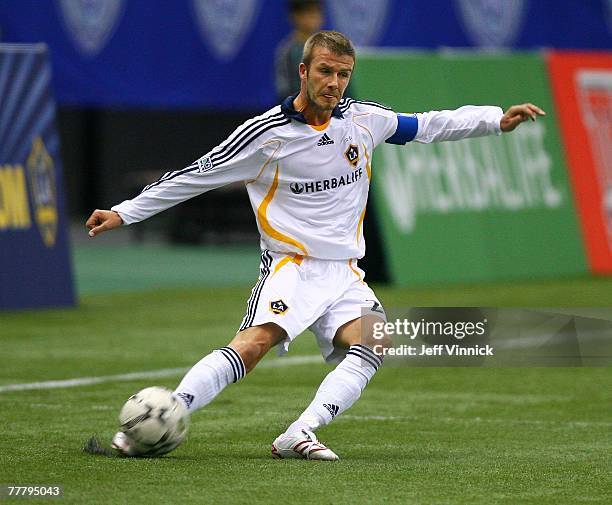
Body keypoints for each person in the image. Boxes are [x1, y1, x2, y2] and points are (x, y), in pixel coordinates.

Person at [86, 30, 545, 460]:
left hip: (344, 272)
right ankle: (163, 416)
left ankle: (298, 434)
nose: (335, 82)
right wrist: (124, 212)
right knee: (253, 345)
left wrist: (493, 119)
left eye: (343, 73)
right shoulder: (265, 135)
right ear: (303, 72)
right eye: (325, 71)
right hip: (292, 265)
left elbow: (426, 125)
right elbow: (194, 177)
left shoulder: (364, 120)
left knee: (373, 344)